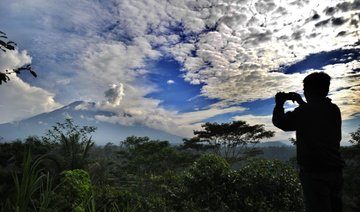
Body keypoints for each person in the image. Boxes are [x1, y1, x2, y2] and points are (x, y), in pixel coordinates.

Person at [272, 72, 345, 212]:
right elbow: (315, 114)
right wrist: (301, 102)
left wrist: (279, 104)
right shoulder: (334, 109)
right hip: (336, 171)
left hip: (316, 173)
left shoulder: (305, 111)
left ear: (309, 90)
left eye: (305, 89)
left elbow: (280, 122)